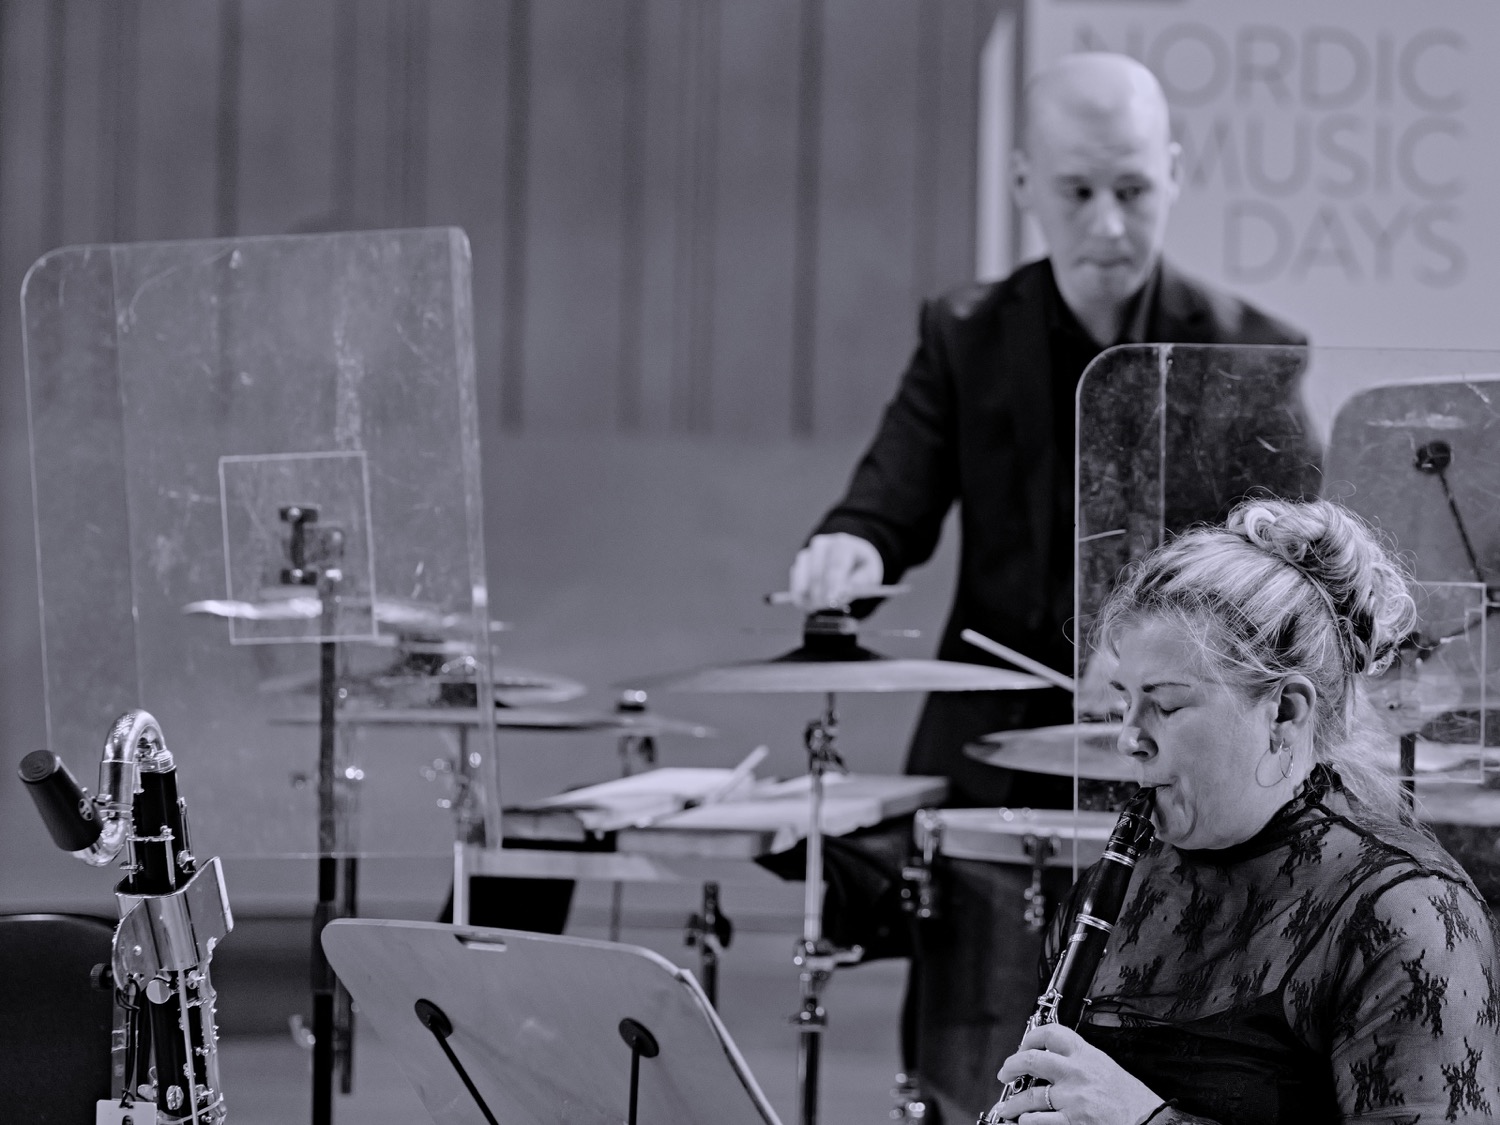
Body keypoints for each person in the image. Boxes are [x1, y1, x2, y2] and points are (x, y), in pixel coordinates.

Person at [782, 51, 1311, 1118]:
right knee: (968, 1072)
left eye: (1132, 189)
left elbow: (1291, 590)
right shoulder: (965, 334)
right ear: (1024, 184)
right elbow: (888, 500)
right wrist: (850, 552)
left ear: (1172, 171)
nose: (1109, 224)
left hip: (1186, 775)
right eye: (1077, 192)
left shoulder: (1255, 350)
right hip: (998, 767)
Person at [989, 498, 1500, 1125]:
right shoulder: (1110, 897)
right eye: (1123, 701)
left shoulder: (1405, 916)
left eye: (1167, 706)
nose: (1129, 738)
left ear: (1285, 712)